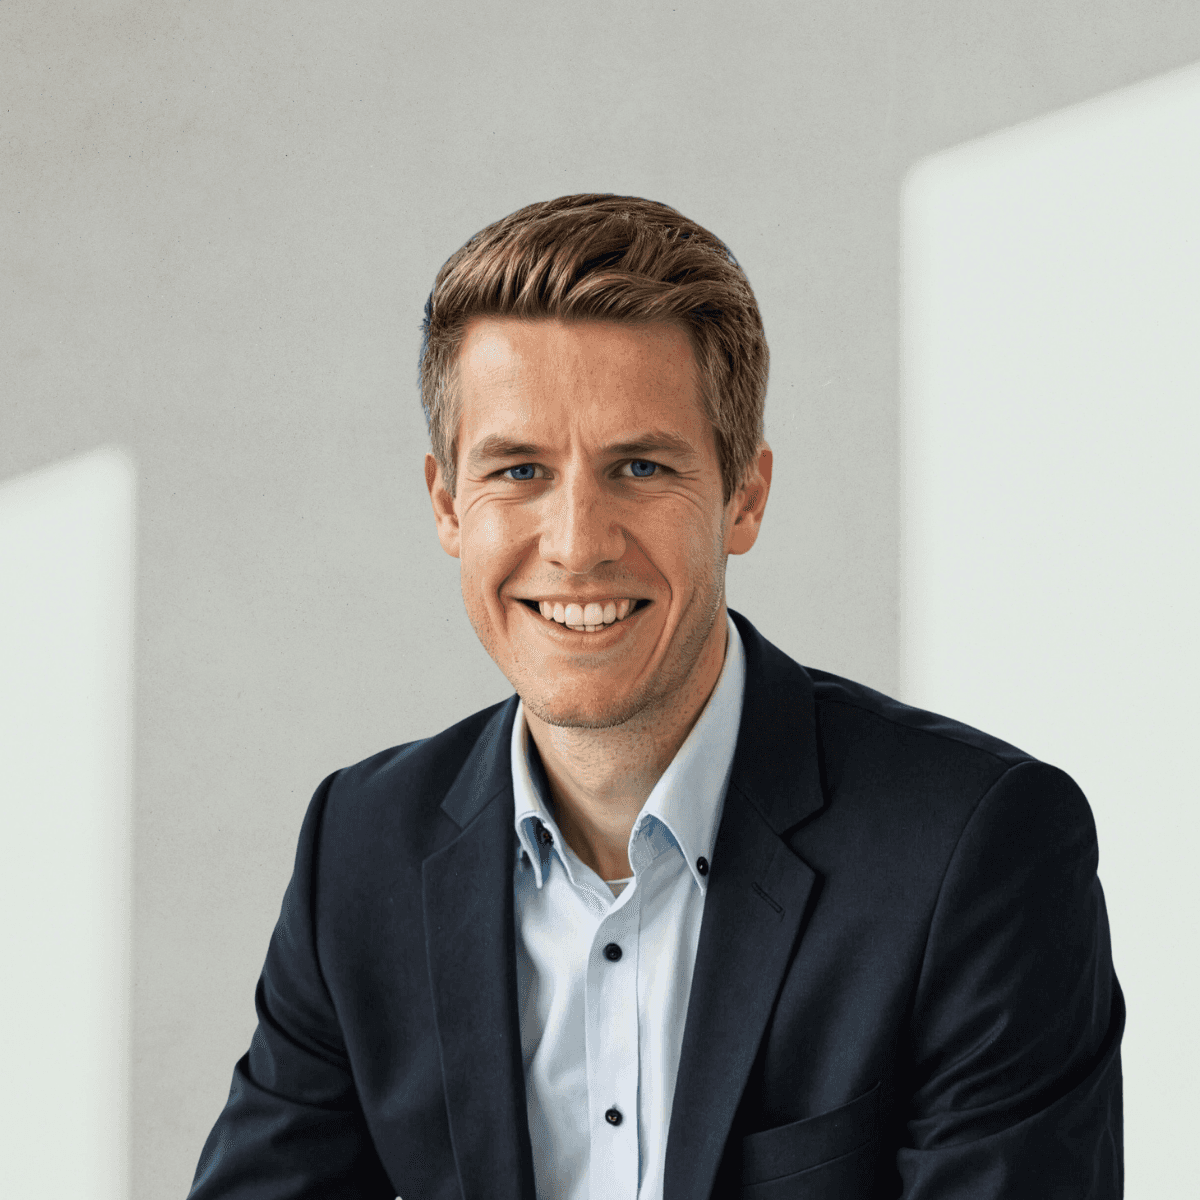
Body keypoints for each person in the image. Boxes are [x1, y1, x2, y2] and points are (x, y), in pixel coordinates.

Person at [188, 195, 1123, 1199]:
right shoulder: (359, 851)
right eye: (519, 470)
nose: (579, 541)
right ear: (447, 504)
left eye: (640, 466)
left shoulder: (974, 851)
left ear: (745, 496)